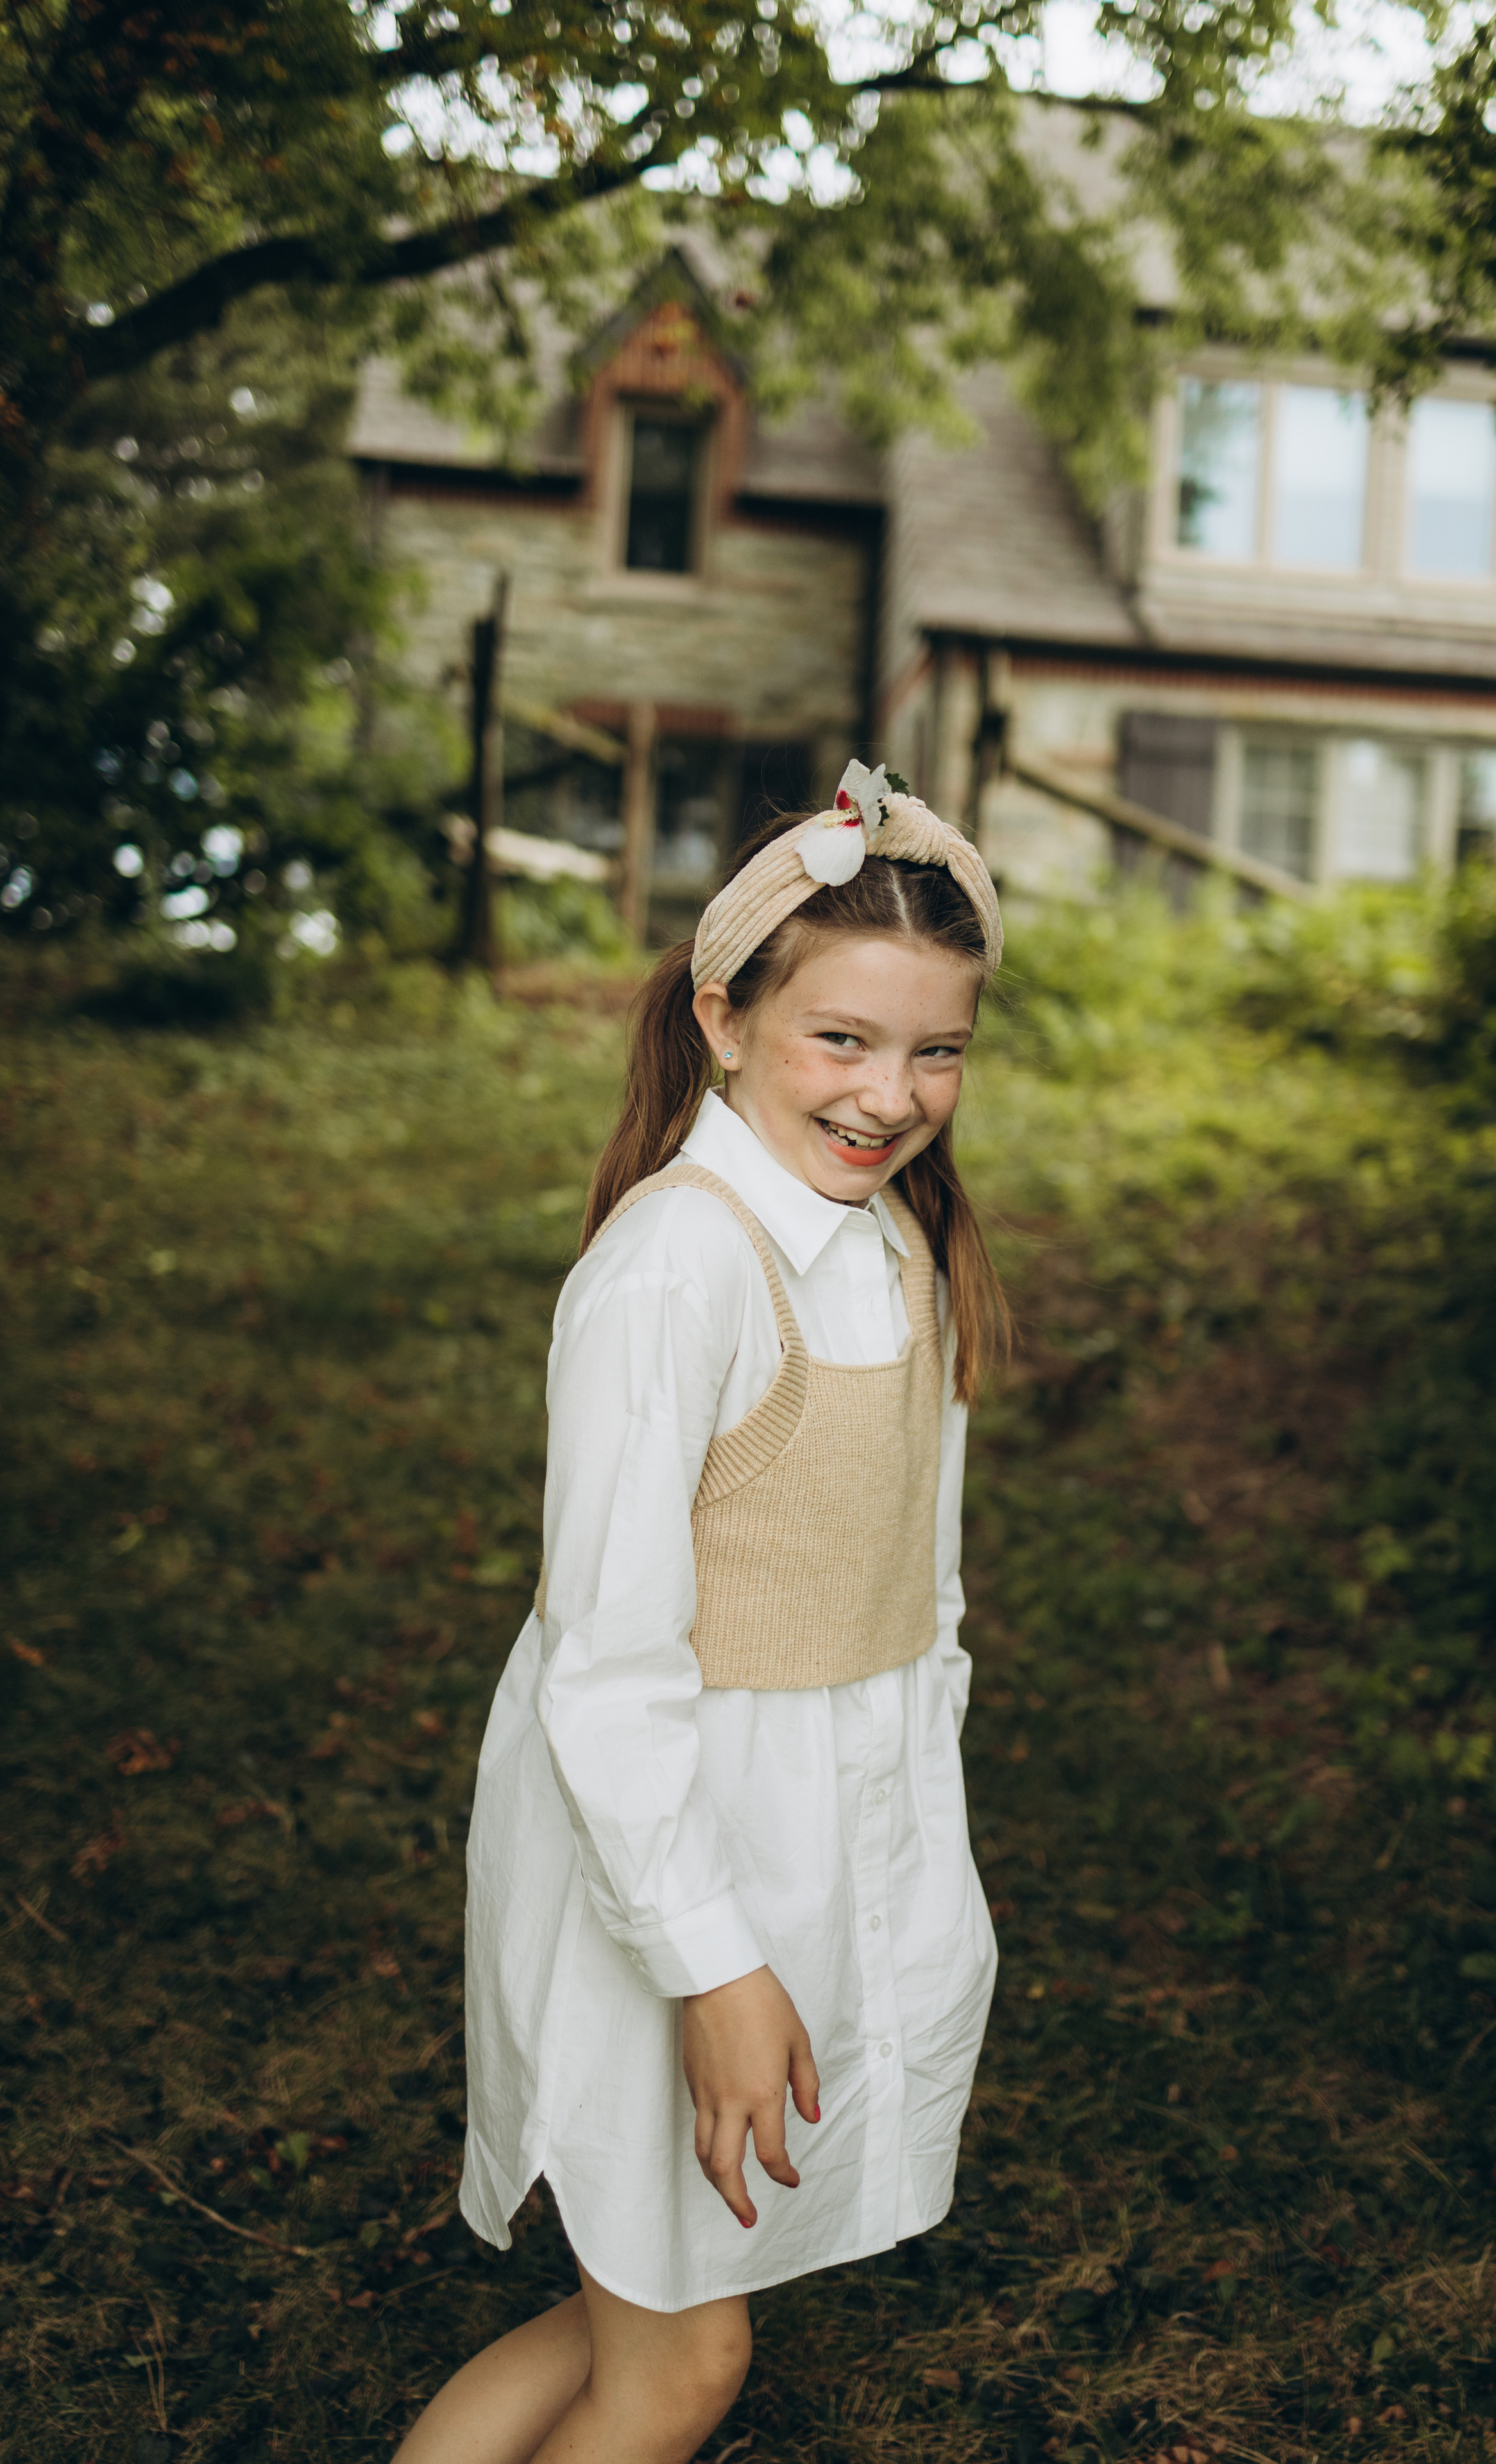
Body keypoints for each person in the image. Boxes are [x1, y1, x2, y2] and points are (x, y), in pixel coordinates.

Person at [396, 767, 1010, 2464]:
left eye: (937, 1050)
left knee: (631, 2318)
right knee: (681, 2366)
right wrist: (714, 1965)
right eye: (842, 1040)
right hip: (662, 1860)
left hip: (817, 1845)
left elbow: (919, 1602)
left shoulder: (893, 1243)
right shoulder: (678, 1271)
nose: (892, 1094)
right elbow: (607, 1667)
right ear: (725, 1018)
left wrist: (914, 1872)